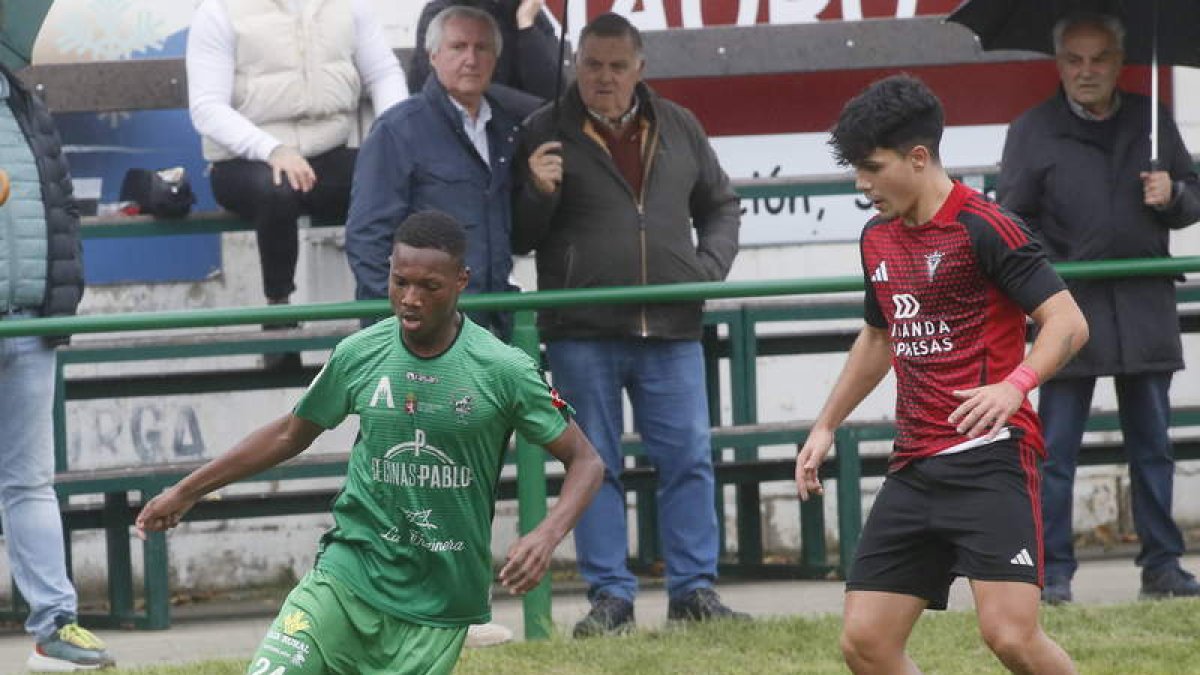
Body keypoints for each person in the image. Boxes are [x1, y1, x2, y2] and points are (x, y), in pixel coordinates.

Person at [135, 210, 604, 674]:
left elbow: (585, 461)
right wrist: (186, 490)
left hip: (438, 600)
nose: (411, 299)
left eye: (429, 287)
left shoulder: (503, 369)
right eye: (400, 282)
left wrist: (546, 534)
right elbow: (288, 432)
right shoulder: (360, 353)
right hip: (348, 571)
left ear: (461, 281)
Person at [796, 74, 1088, 674]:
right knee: (865, 642)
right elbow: (879, 336)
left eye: (872, 167)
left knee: (1009, 635)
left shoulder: (986, 226)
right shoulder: (876, 239)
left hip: (991, 460)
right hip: (916, 467)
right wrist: (826, 425)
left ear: (918, 156)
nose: (862, 184)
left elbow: (1067, 322)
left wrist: (1015, 385)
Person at [512, 13, 743, 637]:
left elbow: (720, 205)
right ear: (575, 66)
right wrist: (535, 190)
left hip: (672, 327)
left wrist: (707, 269)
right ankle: (609, 597)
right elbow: (518, 235)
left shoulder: (680, 125)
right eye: (592, 65)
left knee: (690, 458)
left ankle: (694, 592)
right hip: (579, 329)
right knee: (594, 465)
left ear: (641, 69)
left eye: (617, 65)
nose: (604, 78)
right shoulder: (541, 131)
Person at [997, 12, 1200, 605]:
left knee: (1154, 447)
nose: (1086, 72)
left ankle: (1163, 567)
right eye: (1074, 60)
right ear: (1058, 64)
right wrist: (1046, 281)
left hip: (1143, 304)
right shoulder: (1031, 130)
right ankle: (1053, 572)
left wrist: (1175, 195)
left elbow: (1193, 198)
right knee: (1054, 450)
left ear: (1120, 61)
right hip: (1066, 310)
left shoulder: (1154, 120)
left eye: (1100, 58)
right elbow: (1013, 223)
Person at [187, 0, 407, 367]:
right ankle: (280, 318)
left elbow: (383, 73)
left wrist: (393, 138)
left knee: (391, 181)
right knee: (277, 191)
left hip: (325, 152)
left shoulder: (350, 6)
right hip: (243, 161)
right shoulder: (220, 11)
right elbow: (207, 107)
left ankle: (385, 316)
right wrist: (271, 148)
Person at [0, 63, 115, 670]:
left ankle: (55, 628)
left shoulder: (23, 101)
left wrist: (57, 302)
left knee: (30, 483)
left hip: (28, 322)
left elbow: (59, 203)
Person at [346, 5, 520, 340]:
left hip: (489, 325)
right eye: (458, 47)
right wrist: (402, 319)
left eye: (481, 48)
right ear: (433, 56)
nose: (471, 58)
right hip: (422, 329)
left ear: (495, 59)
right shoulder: (397, 130)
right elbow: (367, 238)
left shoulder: (504, 129)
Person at [408, 0, 558, 106]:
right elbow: (458, 90)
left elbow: (553, 91)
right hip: (452, 129)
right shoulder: (443, 13)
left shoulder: (529, 14)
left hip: (519, 130)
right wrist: (534, 108)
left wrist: (526, 26)